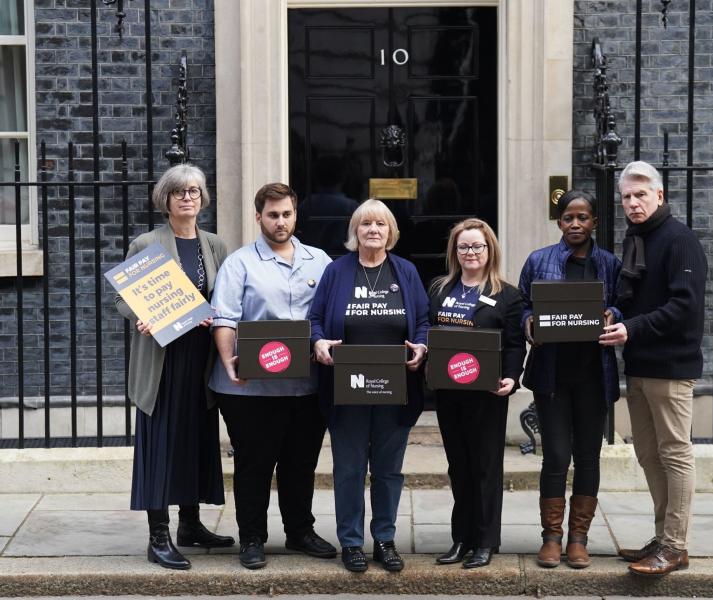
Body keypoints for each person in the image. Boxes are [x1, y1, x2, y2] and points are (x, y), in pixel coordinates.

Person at [209, 182, 336, 570]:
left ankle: (299, 531)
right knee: (254, 464)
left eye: (287, 214)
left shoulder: (321, 261)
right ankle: (252, 538)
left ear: (295, 215)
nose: (280, 222)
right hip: (250, 388)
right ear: (259, 216)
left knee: (301, 463)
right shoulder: (240, 263)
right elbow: (225, 316)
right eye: (272, 215)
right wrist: (229, 360)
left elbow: (332, 316)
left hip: (307, 386)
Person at [117, 163, 233, 570]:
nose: (188, 198)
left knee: (195, 438)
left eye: (195, 191)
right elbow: (123, 297)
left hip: (200, 357)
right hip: (162, 358)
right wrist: (139, 317)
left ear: (203, 199)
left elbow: (228, 295)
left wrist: (215, 314)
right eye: (180, 192)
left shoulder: (215, 244)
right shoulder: (147, 242)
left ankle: (191, 524)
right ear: (165, 199)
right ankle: (158, 535)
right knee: (162, 441)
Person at [308, 199, 429, 573]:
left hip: (396, 389)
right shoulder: (336, 272)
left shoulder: (405, 271)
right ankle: (351, 542)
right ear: (355, 232)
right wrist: (319, 342)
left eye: (380, 224)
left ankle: (385, 539)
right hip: (346, 389)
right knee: (349, 468)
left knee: (389, 469)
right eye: (365, 224)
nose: (373, 229)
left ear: (391, 233)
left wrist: (422, 345)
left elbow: (422, 319)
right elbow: (315, 319)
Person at [599, 161, 706, 577]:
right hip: (640, 365)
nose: (632, 202)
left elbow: (684, 306)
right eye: (626, 196)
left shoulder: (680, 240)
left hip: (671, 367)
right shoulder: (637, 238)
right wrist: (614, 314)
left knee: (675, 455)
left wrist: (631, 327)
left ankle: (675, 546)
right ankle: (663, 538)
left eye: (641, 195)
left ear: (659, 196)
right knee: (648, 454)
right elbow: (635, 297)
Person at [518, 190, 622, 569]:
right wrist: (529, 323)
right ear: (559, 222)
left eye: (583, 218)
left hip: (594, 375)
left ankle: (579, 539)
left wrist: (611, 312)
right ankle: (551, 537)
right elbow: (525, 306)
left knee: (588, 458)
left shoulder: (609, 263)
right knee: (556, 456)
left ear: (594, 221)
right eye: (568, 218)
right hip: (553, 375)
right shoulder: (539, 260)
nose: (575, 224)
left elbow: (622, 302)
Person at [427, 218, 525, 569]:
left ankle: (485, 540)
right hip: (450, 392)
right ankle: (461, 537)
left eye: (477, 246)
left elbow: (515, 344)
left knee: (485, 467)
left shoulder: (508, 295)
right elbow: (431, 334)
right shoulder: (440, 289)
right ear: (455, 251)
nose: (470, 252)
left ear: (489, 250)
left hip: (486, 393)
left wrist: (512, 378)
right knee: (459, 467)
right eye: (464, 246)